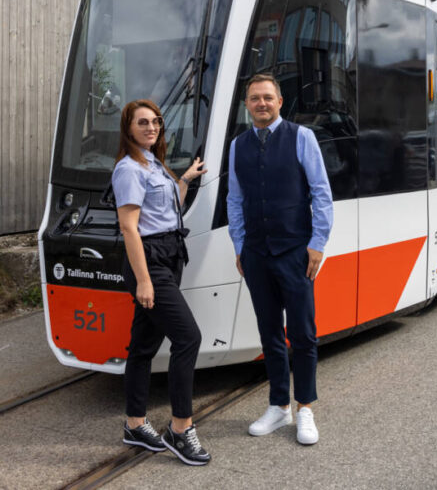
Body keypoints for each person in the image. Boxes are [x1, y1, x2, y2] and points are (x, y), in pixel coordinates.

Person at [226, 73, 333, 446]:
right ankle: (278, 406)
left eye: (267, 98)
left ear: (280, 101)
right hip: (255, 253)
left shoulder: (302, 137)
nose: (261, 104)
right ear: (247, 105)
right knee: (269, 333)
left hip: (294, 252)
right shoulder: (238, 146)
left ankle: (304, 408)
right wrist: (239, 246)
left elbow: (321, 192)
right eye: (255, 98)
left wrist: (317, 243)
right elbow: (234, 200)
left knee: (302, 334)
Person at [112, 99, 210, 465]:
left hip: (169, 255)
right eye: (142, 123)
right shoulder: (128, 170)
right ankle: (180, 429)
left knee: (142, 346)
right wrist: (144, 282)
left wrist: (183, 180)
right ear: (128, 129)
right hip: (149, 262)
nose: (151, 127)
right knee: (188, 338)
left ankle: (135, 423)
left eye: (155, 122)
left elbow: (168, 212)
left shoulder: (153, 163)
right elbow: (129, 227)